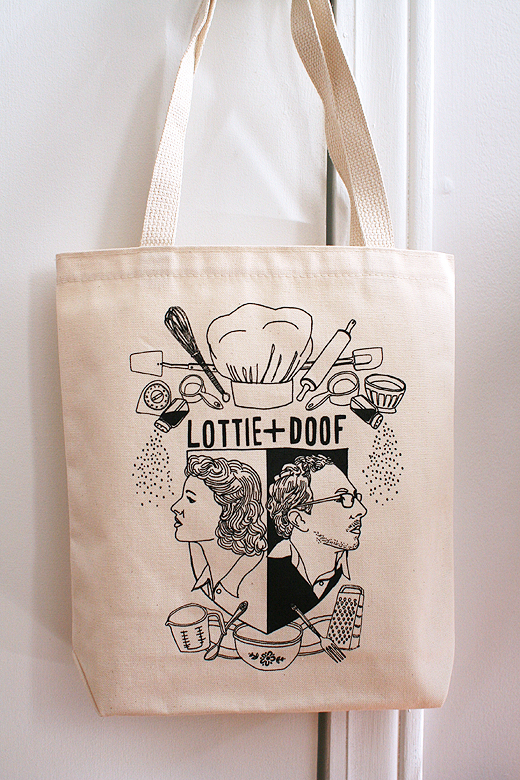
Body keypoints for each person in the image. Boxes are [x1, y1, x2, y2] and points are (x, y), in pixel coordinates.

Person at [266, 453, 366, 632]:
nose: (361, 510)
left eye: (355, 497)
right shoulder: (267, 578)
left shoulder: (361, 575)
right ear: (299, 519)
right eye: (343, 499)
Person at [171, 454, 267, 615]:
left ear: (230, 511)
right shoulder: (203, 575)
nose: (175, 507)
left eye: (190, 499)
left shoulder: (263, 579)